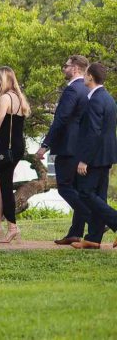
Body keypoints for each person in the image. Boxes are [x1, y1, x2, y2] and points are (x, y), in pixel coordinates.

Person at [36, 55, 91, 245]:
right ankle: (75, 233)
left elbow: (61, 119)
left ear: (75, 68)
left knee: (65, 188)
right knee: (76, 189)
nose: (63, 69)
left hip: (68, 147)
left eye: (65, 66)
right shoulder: (87, 90)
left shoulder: (72, 90)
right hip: (82, 147)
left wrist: (45, 145)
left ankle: (94, 218)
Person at [71, 63, 117, 249]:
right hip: (106, 156)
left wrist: (84, 160)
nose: (83, 77)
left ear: (90, 77)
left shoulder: (96, 100)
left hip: (95, 157)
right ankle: (93, 238)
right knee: (99, 195)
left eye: (85, 74)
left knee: (85, 193)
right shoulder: (108, 98)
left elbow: (93, 132)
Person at [0, 67, 29, 244]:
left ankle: (12, 226)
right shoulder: (18, 98)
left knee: (5, 185)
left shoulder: (5, 98)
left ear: (4, 80)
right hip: (16, 147)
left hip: (6, 149)